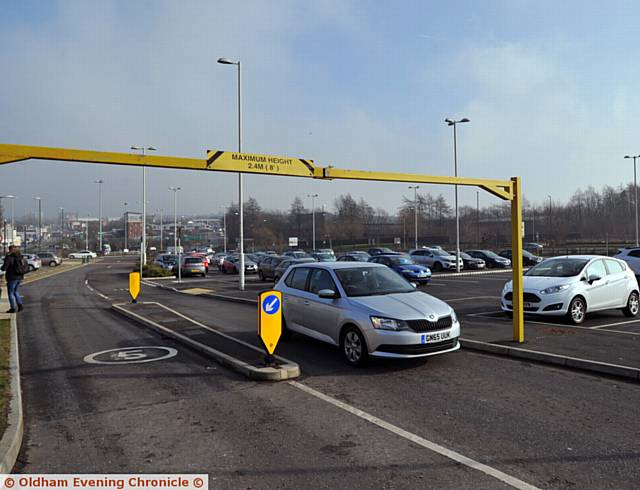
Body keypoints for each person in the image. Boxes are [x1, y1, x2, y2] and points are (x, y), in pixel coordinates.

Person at [1, 246, 25, 313]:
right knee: (15, 291)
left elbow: (4, 268)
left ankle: (13, 308)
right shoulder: (20, 257)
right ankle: (20, 305)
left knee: (11, 293)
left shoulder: (9, 257)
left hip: (12, 277)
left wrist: (6, 258)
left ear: (10, 250)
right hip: (19, 277)